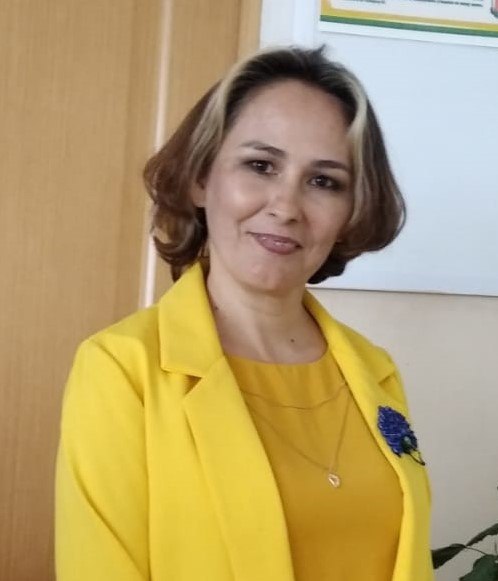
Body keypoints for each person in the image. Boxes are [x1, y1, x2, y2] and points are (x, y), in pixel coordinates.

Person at [55, 46, 433, 581]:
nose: (286, 206)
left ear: (351, 211)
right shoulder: (122, 369)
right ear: (200, 178)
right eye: (261, 166)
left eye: (323, 181)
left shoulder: (376, 371)